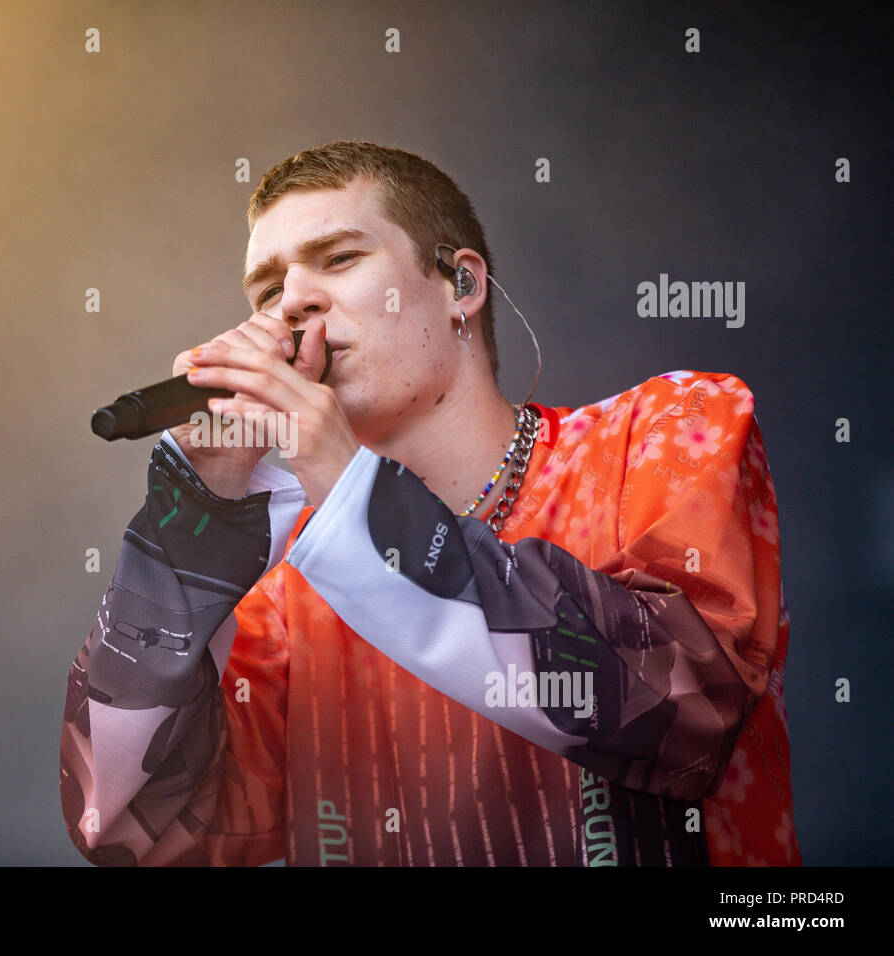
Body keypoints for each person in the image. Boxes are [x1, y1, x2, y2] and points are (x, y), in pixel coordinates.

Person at [60, 140, 800, 866]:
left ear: (461, 285)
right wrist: (196, 522)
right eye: (267, 292)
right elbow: (130, 830)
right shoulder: (291, 593)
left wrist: (351, 491)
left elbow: (689, 710)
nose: (292, 305)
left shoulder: (667, 430)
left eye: (339, 258)